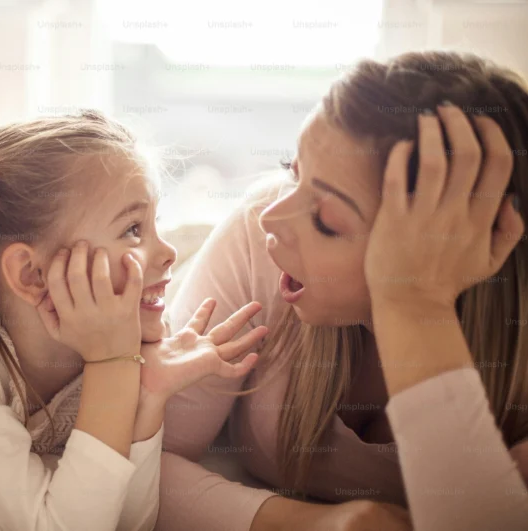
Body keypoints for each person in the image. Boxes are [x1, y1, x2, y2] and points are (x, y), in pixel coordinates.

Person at [158, 51, 528, 531]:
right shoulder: (256, 232)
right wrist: (312, 523)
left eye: (327, 221)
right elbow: (137, 464)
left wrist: (412, 303)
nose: (271, 218)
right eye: (293, 172)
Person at [0, 110, 267, 531]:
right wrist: (111, 366)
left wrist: (148, 397)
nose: (169, 253)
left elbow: (132, 521)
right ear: (32, 274)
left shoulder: (122, 340)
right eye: (133, 229)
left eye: (156, 222)